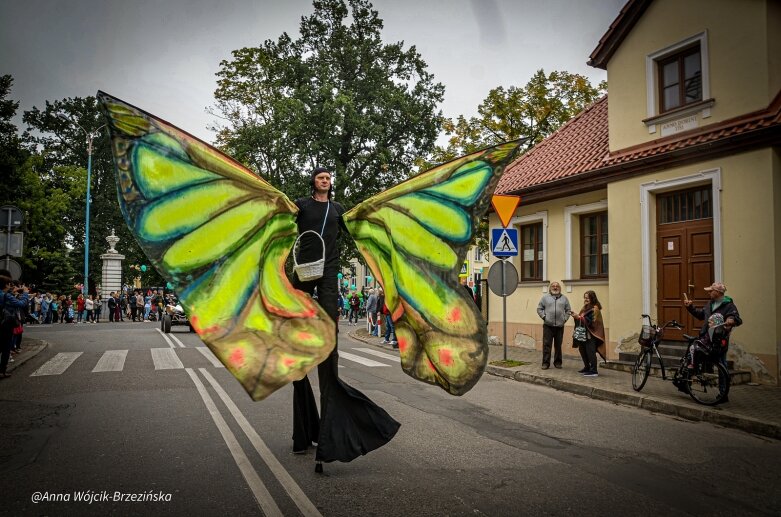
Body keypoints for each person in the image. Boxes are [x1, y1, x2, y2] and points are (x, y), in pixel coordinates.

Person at [290, 167, 399, 473]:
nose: (325, 181)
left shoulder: (338, 210)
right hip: (304, 269)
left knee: (328, 328)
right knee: (289, 313)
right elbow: (280, 226)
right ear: (313, 181)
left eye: (328, 178)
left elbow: (365, 227)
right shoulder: (301, 205)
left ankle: (326, 338)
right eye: (320, 177)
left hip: (328, 270)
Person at [684, 282, 741, 370]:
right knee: (698, 356)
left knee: (721, 362)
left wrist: (731, 320)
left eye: (711, 291)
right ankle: (704, 379)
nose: (708, 292)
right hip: (706, 337)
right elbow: (700, 315)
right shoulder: (710, 304)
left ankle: (723, 384)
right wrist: (690, 307)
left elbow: (737, 318)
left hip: (718, 340)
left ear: (718, 292)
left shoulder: (729, 305)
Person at [536, 281, 571, 369]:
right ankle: (545, 363)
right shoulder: (545, 298)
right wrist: (544, 317)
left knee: (558, 345)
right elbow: (539, 309)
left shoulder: (564, 298)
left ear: (560, 288)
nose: (555, 287)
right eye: (553, 286)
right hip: (548, 325)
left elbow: (568, 310)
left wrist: (565, 319)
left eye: (557, 286)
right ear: (550, 288)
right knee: (547, 345)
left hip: (560, 326)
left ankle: (558, 362)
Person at [571, 290, 605, 377]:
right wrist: (576, 316)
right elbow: (580, 318)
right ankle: (587, 367)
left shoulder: (595, 309)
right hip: (582, 334)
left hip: (591, 334)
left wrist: (579, 317)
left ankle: (594, 371)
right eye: (585, 298)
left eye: (587, 298)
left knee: (590, 351)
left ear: (592, 298)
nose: (585, 299)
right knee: (582, 350)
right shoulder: (584, 308)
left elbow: (593, 322)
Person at [1, 275, 29, 378]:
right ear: (6, 285)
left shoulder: (3, 294)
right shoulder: (6, 296)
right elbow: (21, 304)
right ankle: (2, 371)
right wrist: (25, 294)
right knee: (5, 347)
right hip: (6, 323)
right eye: (9, 284)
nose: (11, 286)